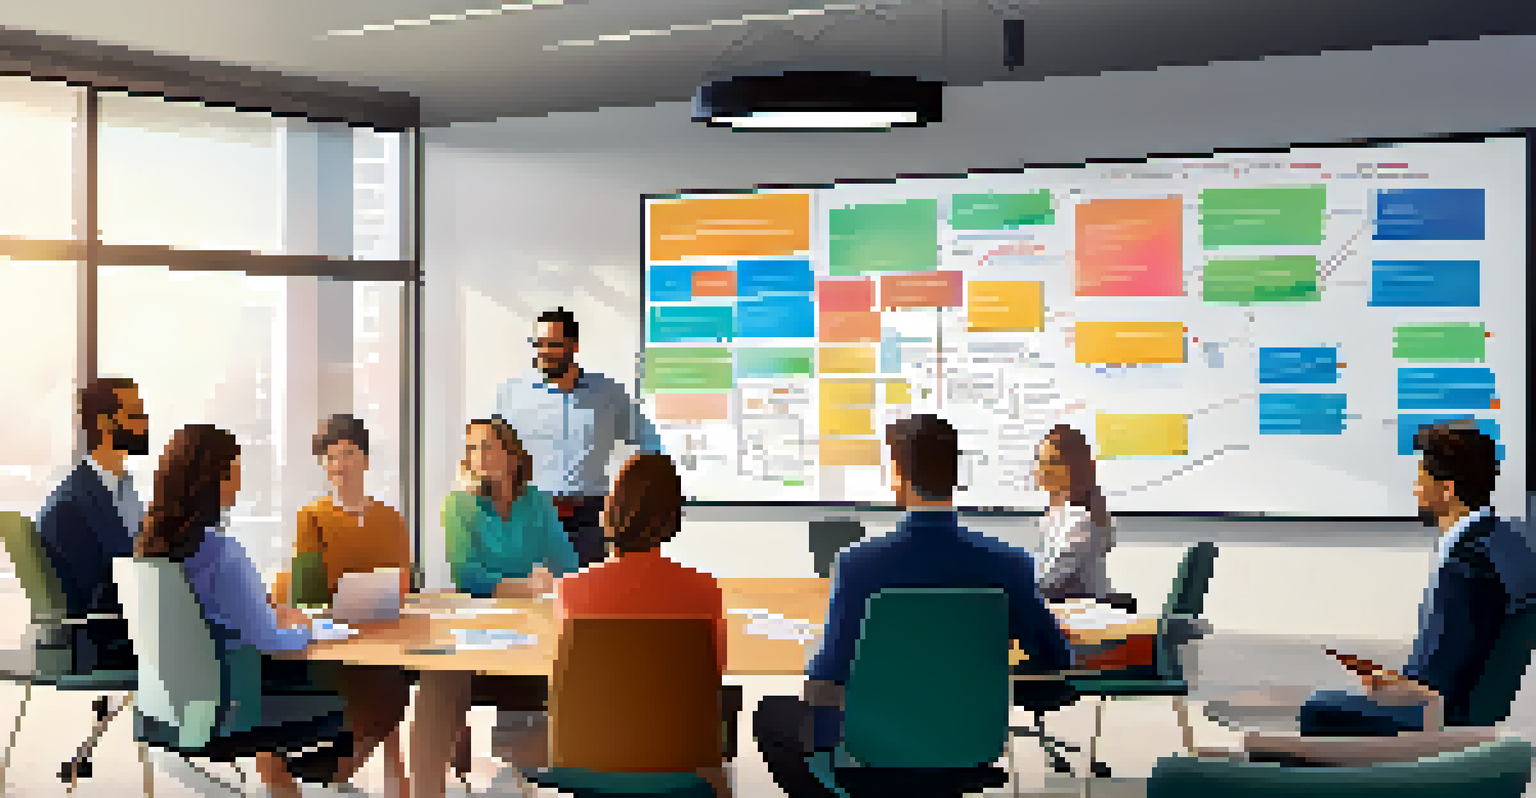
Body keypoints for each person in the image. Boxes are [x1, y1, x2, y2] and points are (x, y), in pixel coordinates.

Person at [754, 414, 1073, 797]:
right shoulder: (1008, 563)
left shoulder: (859, 564)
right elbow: (1055, 657)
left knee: (770, 715)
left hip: (872, 747)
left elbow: (827, 678)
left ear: (897, 473)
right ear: (955, 474)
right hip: (970, 743)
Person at [136, 425, 346, 798]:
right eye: (234, 471)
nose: (238, 482)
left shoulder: (147, 551)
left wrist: (263, 616)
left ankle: (281, 783)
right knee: (350, 698)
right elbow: (267, 639)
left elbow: (209, 621)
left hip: (168, 707)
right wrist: (306, 628)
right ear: (213, 479)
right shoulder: (222, 552)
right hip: (231, 706)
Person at [1298, 421, 1536, 736]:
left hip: (1439, 718)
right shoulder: (1501, 543)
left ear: (1447, 489)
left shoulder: (1465, 567)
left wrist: (1386, 683)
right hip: (1467, 709)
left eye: (1421, 479)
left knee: (1318, 708)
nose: (1415, 489)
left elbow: (1435, 686)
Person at [555, 452, 731, 797]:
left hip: (593, 763)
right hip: (680, 763)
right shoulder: (703, 590)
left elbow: (569, 685)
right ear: (672, 516)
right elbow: (712, 677)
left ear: (611, 510)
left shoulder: (574, 590)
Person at [430, 417, 579, 792]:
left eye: (486, 446)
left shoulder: (537, 503)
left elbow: (568, 566)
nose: (477, 456)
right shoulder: (459, 506)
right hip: (480, 626)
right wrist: (527, 586)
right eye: (470, 449)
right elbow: (468, 577)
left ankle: (524, 763)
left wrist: (542, 585)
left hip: (533, 626)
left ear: (511, 455)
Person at [285, 414, 412, 798]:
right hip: (332, 633)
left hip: (384, 628)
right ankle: (336, 771)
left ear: (366, 459)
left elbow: (401, 583)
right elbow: (306, 592)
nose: (338, 464)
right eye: (330, 457)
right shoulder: (312, 516)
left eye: (348, 453)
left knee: (395, 679)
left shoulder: (390, 519)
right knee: (384, 688)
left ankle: (350, 771)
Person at [493, 307, 663, 569]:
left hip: (590, 516)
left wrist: (626, 491)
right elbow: (494, 453)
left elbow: (650, 443)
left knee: (587, 595)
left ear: (574, 346)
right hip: (531, 512)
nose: (544, 352)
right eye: (538, 343)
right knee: (530, 595)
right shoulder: (513, 394)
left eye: (553, 344)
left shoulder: (608, 393)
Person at [37, 376, 147, 676]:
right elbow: (98, 597)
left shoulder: (123, 493)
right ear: (106, 423)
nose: (146, 424)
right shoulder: (70, 506)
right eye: (136, 414)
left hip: (137, 633)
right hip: (109, 644)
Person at [1034, 424, 1118, 604]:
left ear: (1075, 467)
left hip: (1080, 614)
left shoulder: (1081, 521)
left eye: (1053, 462)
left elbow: (1048, 579)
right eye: (1040, 461)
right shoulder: (1055, 515)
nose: (1043, 469)